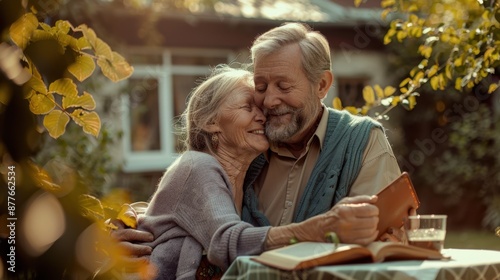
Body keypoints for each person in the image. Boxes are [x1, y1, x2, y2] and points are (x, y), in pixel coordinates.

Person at [111, 22, 405, 262]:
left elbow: (380, 241)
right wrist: (130, 224)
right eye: (261, 87)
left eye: (284, 86)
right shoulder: (251, 149)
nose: (269, 101)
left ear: (322, 85)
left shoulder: (361, 141)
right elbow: (193, 207)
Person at [135, 64, 380, 279]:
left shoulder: (250, 180)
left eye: (260, 109)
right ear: (210, 123)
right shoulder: (196, 166)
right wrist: (318, 228)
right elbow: (230, 242)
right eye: (247, 107)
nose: (262, 116)